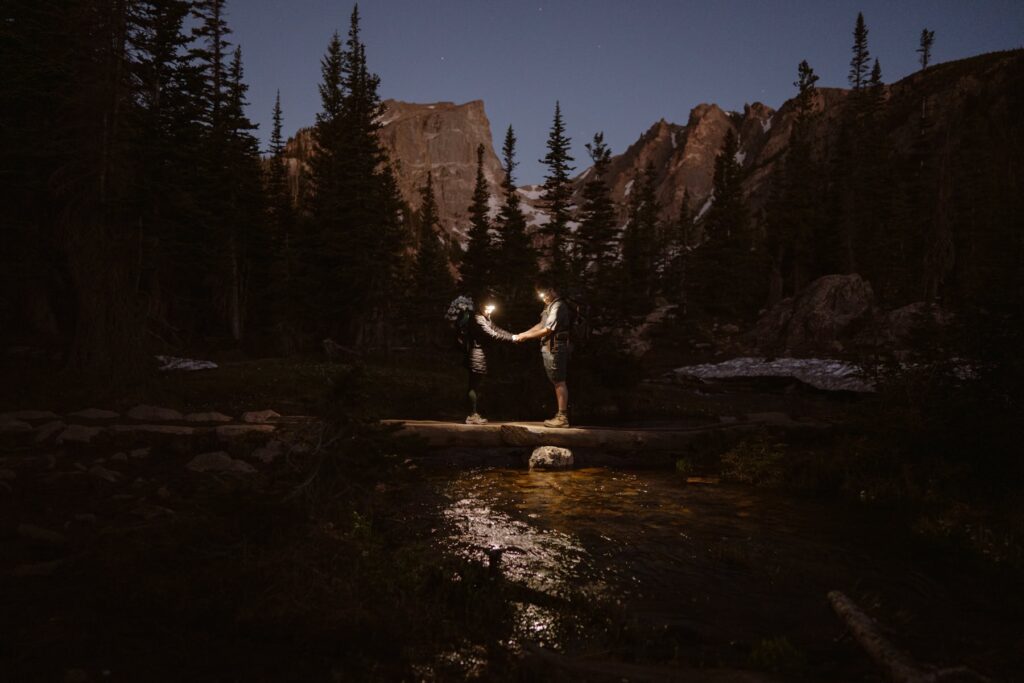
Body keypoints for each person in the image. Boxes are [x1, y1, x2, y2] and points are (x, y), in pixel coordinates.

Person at [512, 276, 572, 428]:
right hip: (549, 346)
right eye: (541, 295)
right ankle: (560, 415)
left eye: (545, 294)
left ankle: (562, 417)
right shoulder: (548, 306)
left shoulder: (558, 305)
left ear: (551, 290)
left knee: (559, 380)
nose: (543, 298)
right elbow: (541, 324)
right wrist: (523, 333)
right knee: (555, 380)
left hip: (556, 346)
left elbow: (548, 329)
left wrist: (526, 336)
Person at [447, 293, 513, 424]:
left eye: (491, 308)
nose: (489, 310)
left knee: (476, 385)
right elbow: (492, 334)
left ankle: (473, 413)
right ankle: (472, 414)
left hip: (480, 354)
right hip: (475, 355)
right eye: (487, 307)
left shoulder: (485, 318)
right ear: (481, 306)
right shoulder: (477, 318)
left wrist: (513, 335)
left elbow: (496, 329)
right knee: (474, 385)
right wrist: (514, 338)